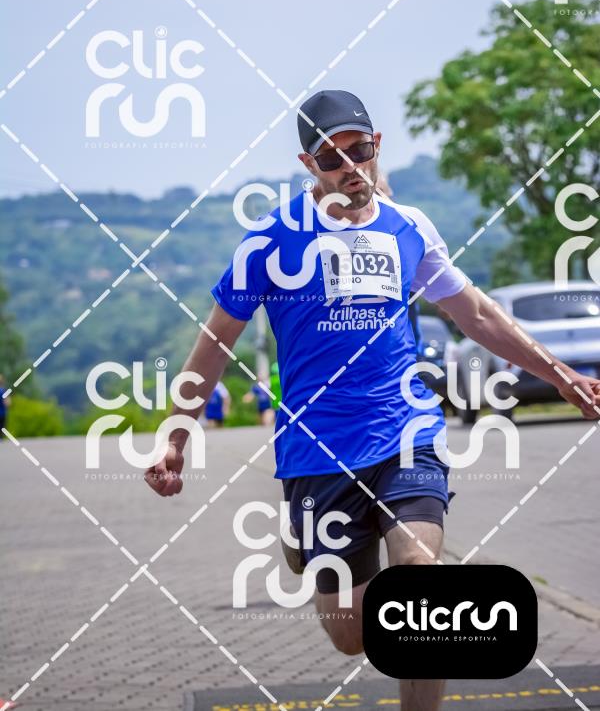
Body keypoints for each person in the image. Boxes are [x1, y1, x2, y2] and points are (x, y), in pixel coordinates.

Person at [145, 89, 600, 711]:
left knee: (418, 587)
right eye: (331, 159)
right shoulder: (271, 241)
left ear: (377, 144)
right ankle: (303, 542)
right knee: (352, 635)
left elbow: (476, 314)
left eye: (359, 151)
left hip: (405, 432)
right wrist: (176, 436)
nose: (350, 168)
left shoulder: (409, 227)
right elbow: (217, 341)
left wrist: (560, 374)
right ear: (308, 166)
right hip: (318, 452)